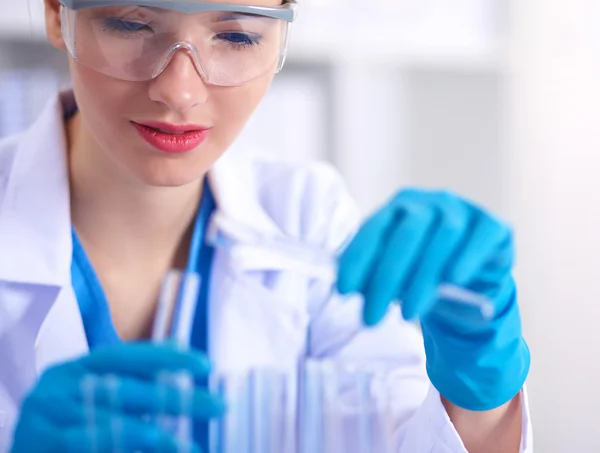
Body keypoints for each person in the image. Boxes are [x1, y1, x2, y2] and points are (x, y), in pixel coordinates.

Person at [0, 0, 532, 452]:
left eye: (236, 35)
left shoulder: (308, 218)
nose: (179, 92)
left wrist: (479, 391)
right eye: (133, 24)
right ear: (56, 13)